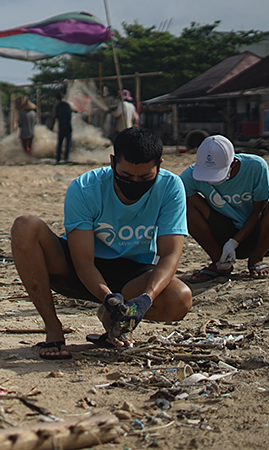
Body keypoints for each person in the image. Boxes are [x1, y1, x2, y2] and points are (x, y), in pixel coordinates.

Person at [10, 127, 192, 359]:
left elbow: (169, 255)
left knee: (180, 299)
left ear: (160, 165)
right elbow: (83, 261)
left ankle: (112, 318)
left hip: (132, 273)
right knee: (25, 226)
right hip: (79, 268)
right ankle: (53, 329)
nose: (135, 183)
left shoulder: (170, 187)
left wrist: (146, 299)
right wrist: (107, 298)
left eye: (145, 177)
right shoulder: (86, 188)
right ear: (113, 162)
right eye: (126, 176)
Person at [181, 135, 269, 281]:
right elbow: (171, 204)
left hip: (261, 236)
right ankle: (220, 263)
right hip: (223, 233)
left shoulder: (256, 166)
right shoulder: (191, 175)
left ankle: (256, 259)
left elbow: (259, 211)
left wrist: (235, 241)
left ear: (234, 164)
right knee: (182, 201)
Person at [54, 92, 75, 164]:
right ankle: (66, 158)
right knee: (67, 143)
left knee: (60, 143)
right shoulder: (67, 105)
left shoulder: (57, 107)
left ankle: (58, 158)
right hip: (68, 127)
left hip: (61, 127)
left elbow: (54, 117)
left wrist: (51, 126)